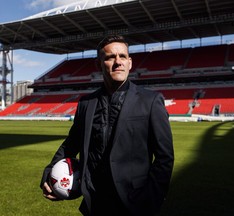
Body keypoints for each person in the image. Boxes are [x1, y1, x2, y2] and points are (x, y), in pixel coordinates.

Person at [40, 35, 174, 216]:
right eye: (110, 57)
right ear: (99, 64)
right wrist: (50, 172)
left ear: (130, 63)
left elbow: (164, 157)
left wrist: (153, 197)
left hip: (135, 203)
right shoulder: (86, 103)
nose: (118, 62)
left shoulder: (151, 101)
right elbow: (71, 144)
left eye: (123, 57)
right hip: (95, 203)